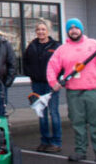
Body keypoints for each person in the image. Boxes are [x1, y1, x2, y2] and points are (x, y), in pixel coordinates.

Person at [47, 18, 96, 164]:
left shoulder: (94, 44)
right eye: (70, 28)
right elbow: (52, 66)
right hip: (74, 93)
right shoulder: (62, 50)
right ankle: (80, 152)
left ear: (81, 29)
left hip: (94, 91)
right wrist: (53, 82)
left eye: (76, 27)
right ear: (67, 31)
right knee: (78, 124)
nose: (74, 30)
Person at [23, 20, 62, 153]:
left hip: (51, 85)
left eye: (43, 29)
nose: (41, 32)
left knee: (53, 113)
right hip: (37, 84)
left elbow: (62, 64)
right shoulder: (32, 46)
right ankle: (44, 141)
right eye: (38, 29)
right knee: (41, 114)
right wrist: (31, 75)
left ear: (48, 31)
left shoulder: (56, 46)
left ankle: (56, 142)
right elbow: (25, 62)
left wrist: (58, 79)